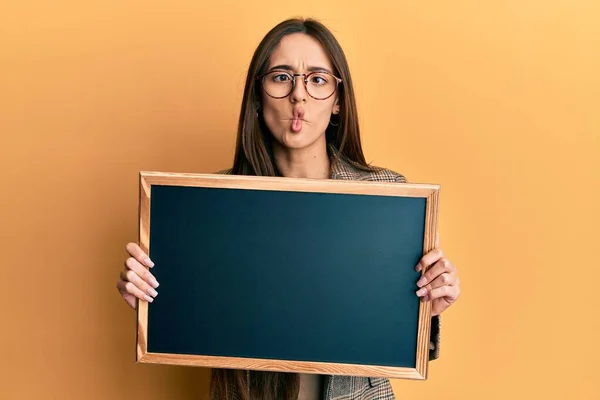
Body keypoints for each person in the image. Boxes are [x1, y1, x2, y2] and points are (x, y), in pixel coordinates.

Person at [116, 17, 461, 400]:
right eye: (281, 77)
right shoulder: (210, 206)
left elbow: (390, 334)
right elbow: (200, 319)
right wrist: (152, 301)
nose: (299, 95)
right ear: (258, 95)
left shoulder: (387, 196)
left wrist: (427, 310)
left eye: (317, 79)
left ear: (338, 101)